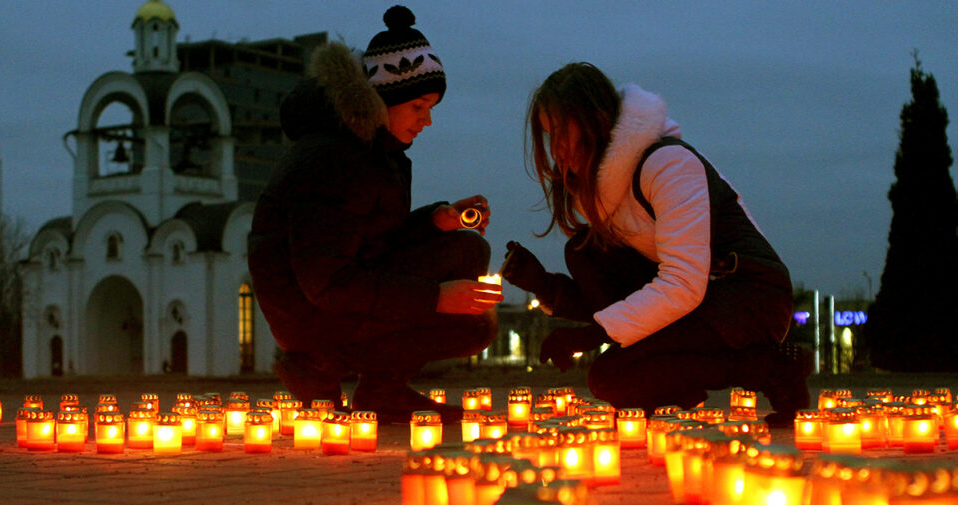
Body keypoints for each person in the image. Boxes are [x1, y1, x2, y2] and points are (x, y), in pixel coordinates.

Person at [503, 62, 810, 426]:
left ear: (595, 119)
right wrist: (543, 286)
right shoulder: (608, 197)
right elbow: (624, 301)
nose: (557, 150)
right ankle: (672, 385)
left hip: (750, 297)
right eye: (548, 136)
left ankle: (772, 366)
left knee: (611, 376)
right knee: (584, 252)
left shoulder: (668, 164)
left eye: (560, 132)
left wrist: (594, 334)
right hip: (701, 301)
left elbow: (682, 284)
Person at [248, 6, 501, 423]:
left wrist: (435, 221)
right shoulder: (333, 157)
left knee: (467, 253)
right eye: (419, 106)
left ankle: (382, 391)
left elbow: (370, 240)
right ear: (384, 99)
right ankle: (317, 365)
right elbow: (326, 281)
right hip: (308, 314)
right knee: (470, 323)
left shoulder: (379, 152)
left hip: (335, 297)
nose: (428, 121)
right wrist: (435, 298)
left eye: (432, 107)